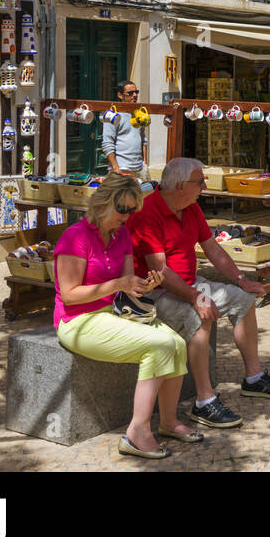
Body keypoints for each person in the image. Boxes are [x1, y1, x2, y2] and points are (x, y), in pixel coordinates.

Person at [130, 158, 270, 431]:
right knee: (199, 316)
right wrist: (196, 297)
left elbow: (213, 250)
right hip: (154, 291)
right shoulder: (148, 213)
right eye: (200, 181)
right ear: (181, 186)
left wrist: (241, 280)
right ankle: (205, 401)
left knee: (244, 299)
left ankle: (254, 378)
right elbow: (161, 270)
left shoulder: (190, 208)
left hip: (190, 282)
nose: (204, 186)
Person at [52, 174, 196, 459]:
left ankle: (167, 421)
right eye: (123, 210)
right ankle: (136, 432)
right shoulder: (75, 237)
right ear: (103, 204)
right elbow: (69, 295)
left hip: (113, 313)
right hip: (77, 321)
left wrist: (144, 284)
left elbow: (127, 284)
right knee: (160, 345)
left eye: (133, 210)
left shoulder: (122, 235)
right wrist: (119, 285)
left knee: (176, 343)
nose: (128, 216)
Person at [103, 79, 147, 179]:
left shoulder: (139, 113)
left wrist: (145, 163)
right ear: (120, 95)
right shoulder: (112, 115)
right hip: (121, 168)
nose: (135, 95)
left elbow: (143, 139)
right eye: (130, 93)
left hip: (139, 169)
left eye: (136, 92)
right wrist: (115, 168)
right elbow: (107, 143)